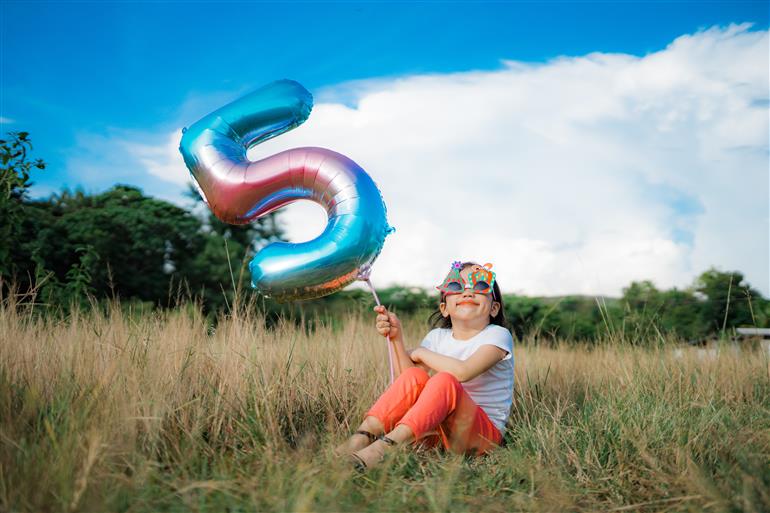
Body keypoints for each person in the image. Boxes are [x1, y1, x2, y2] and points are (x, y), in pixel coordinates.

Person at [335, 261, 515, 470]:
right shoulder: (437, 337)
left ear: (493, 308)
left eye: (480, 286)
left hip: (480, 438)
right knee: (416, 377)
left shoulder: (498, 335)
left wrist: (420, 352)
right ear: (444, 308)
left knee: (444, 380)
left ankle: (384, 448)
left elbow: (463, 372)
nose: (467, 292)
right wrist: (396, 338)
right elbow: (406, 382)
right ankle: (361, 438)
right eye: (456, 286)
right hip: (435, 433)